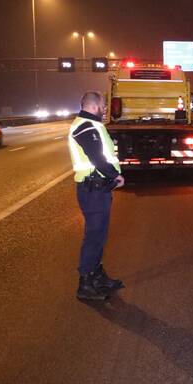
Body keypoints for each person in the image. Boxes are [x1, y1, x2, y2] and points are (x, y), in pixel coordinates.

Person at [68, 91, 125, 301]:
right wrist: (115, 175)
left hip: (99, 189)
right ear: (94, 106)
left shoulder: (92, 125)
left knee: (100, 235)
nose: (105, 109)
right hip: (92, 190)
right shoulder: (85, 126)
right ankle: (85, 284)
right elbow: (97, 158)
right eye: (103, 105)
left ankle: (97, 276)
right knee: (93, 236)